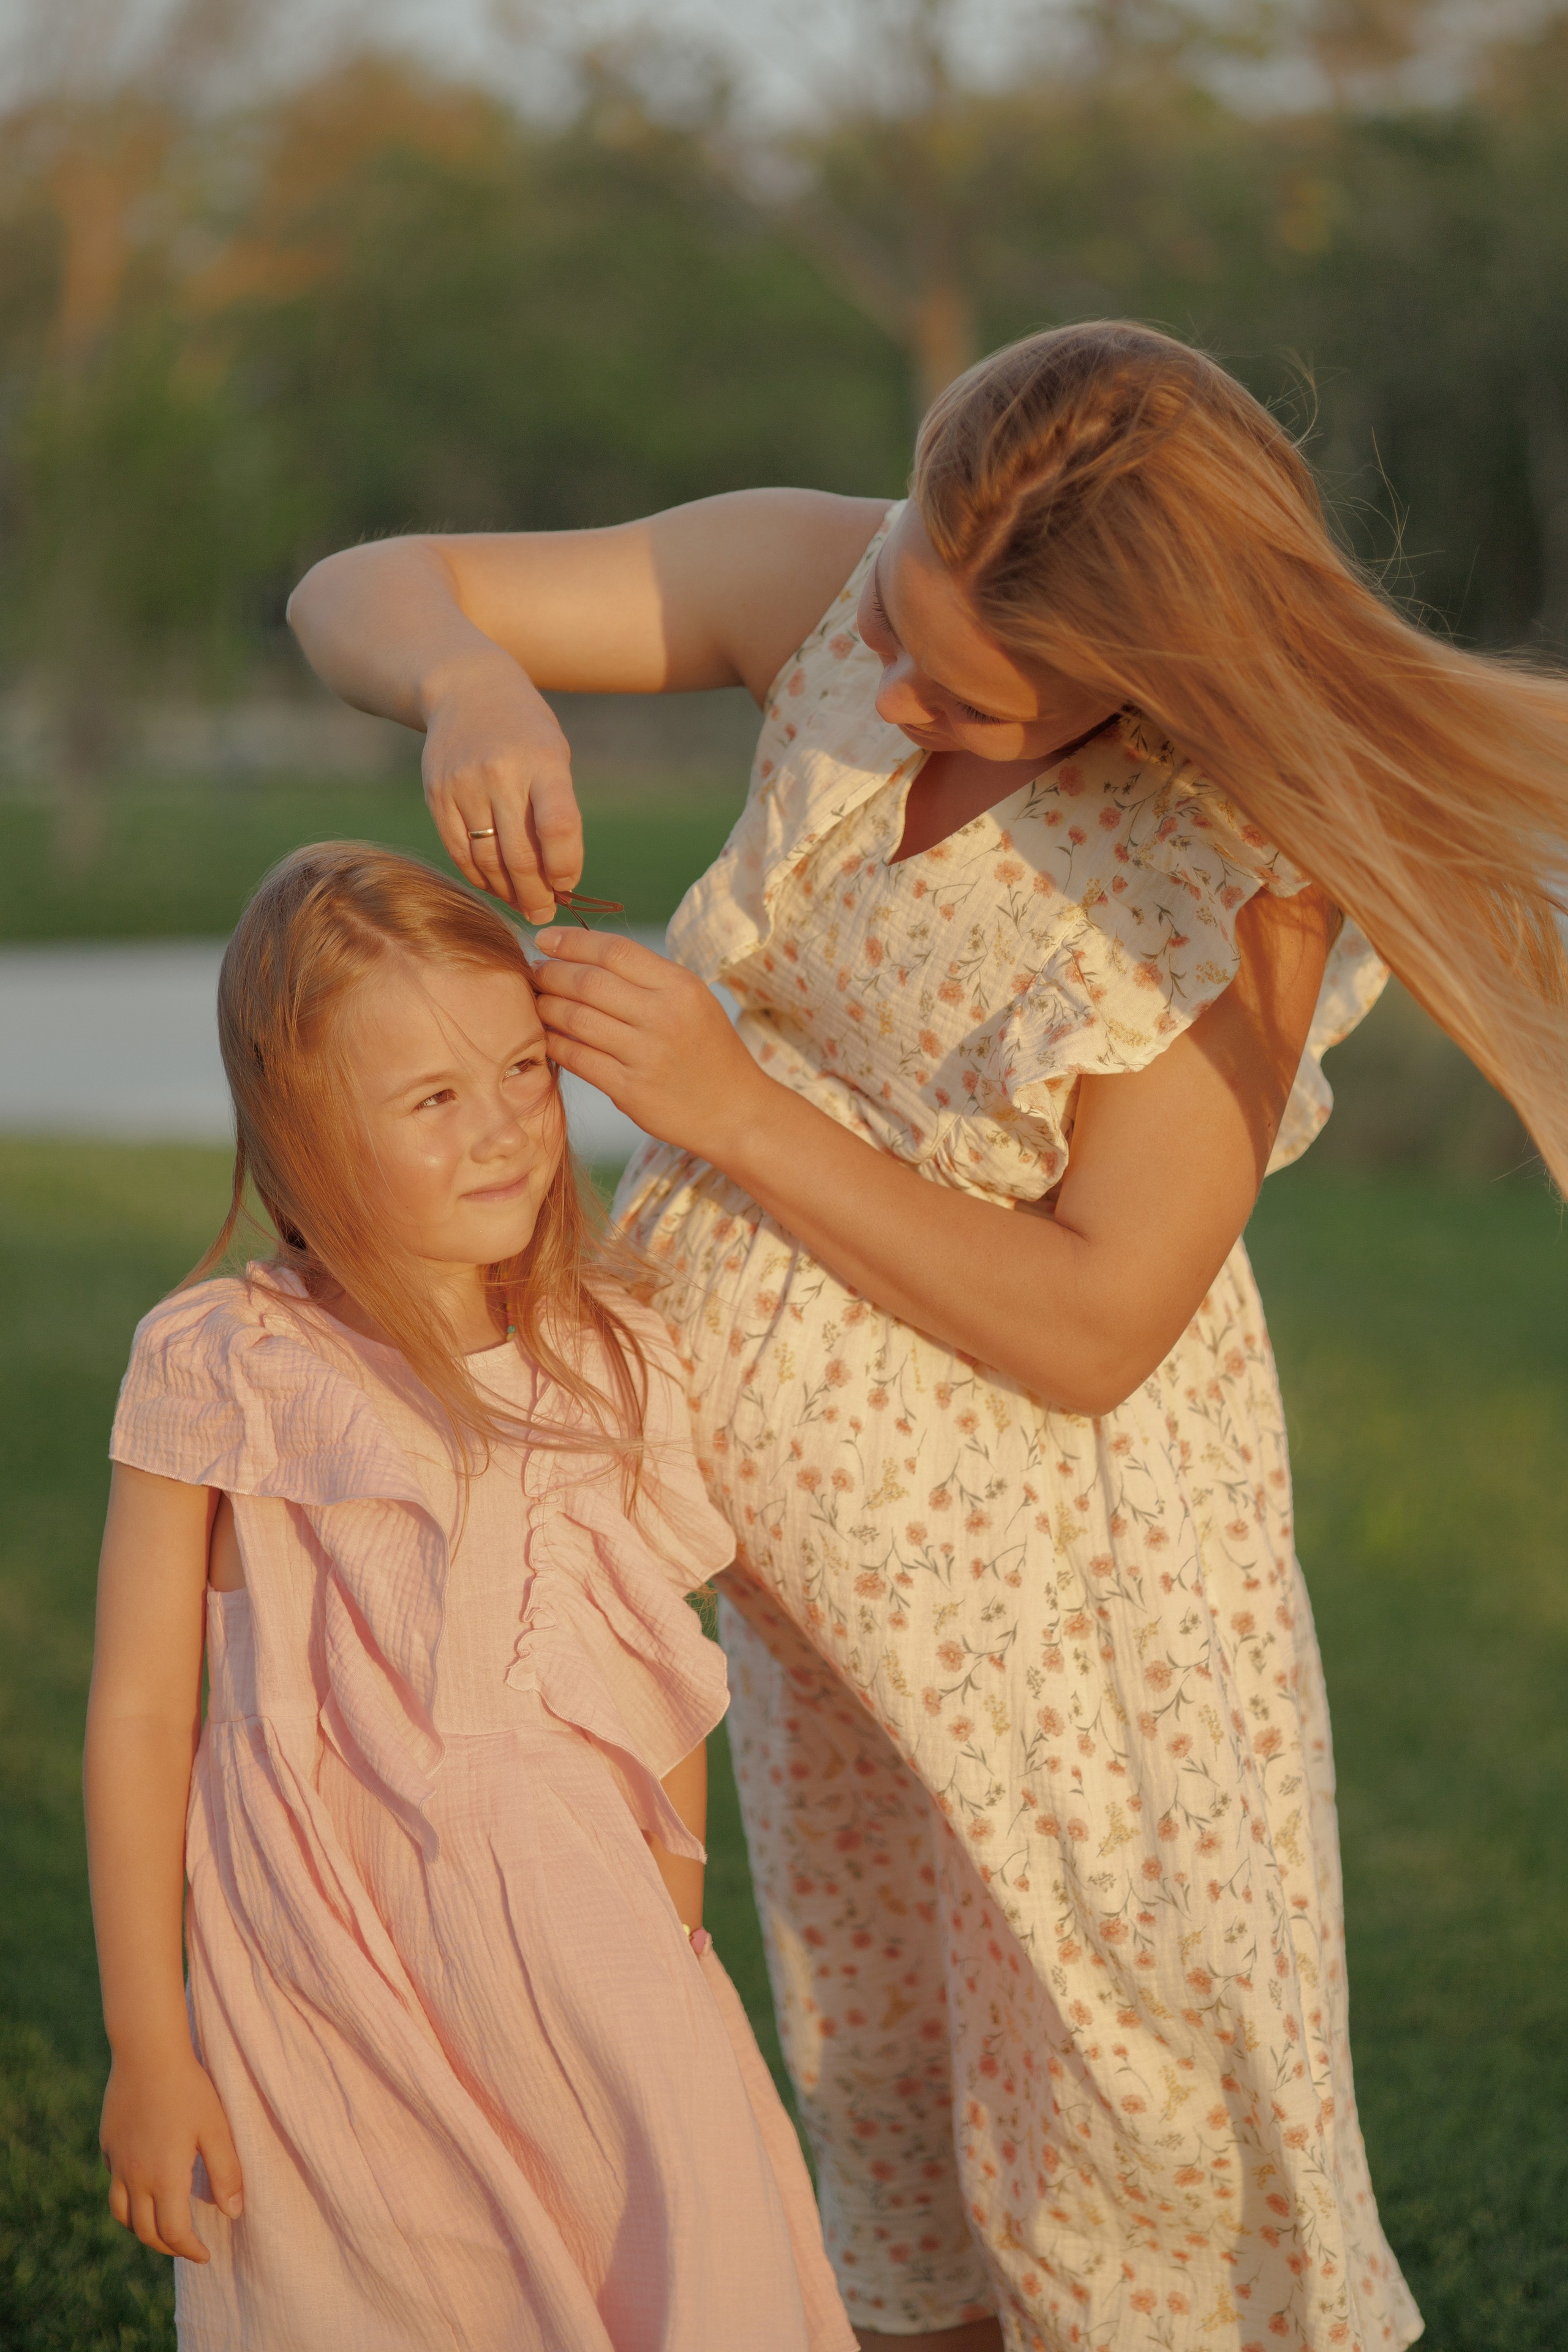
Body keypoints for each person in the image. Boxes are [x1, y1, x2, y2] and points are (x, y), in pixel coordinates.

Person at [285, 322, 1568, 2352]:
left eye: (964, 694)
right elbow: (364, 580)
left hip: (1076, 1634)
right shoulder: (835, 579)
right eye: (901, 612)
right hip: (833, 1622)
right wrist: (468, 677)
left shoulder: (1231, 877)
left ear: (1136, 686)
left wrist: (723, 1106)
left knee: (1127, 2140)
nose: (886, 691)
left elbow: (1092, 1325)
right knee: (887, 2109)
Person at [85, 842, 856, 2352]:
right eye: (433, 1100)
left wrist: (677, 1963)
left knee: (669, 2285)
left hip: (598, 1967)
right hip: (322, 1960)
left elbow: (654, 1680)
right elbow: (136, 1708)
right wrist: (144, 2040)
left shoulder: (611, 1349)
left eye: (522, 1072)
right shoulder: (220, 1361)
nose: (506, 1130)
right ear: (302, 1135)